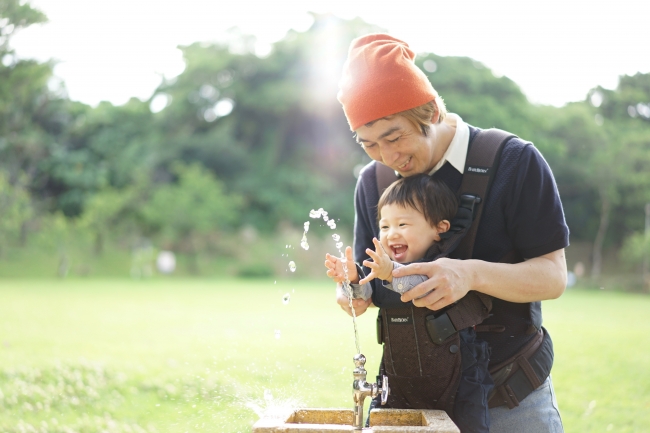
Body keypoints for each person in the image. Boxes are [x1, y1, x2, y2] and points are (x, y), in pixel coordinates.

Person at [331, 33, 569, 433]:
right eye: (369, 144)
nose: (389, 157)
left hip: (510, 398)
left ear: (430, 111)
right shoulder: (372, 182)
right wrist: (352, 292)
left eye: (394, 136)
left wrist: (470, 274)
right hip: (408, 401)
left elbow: (553, 276)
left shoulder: (514, 161)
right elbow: (368, 282)